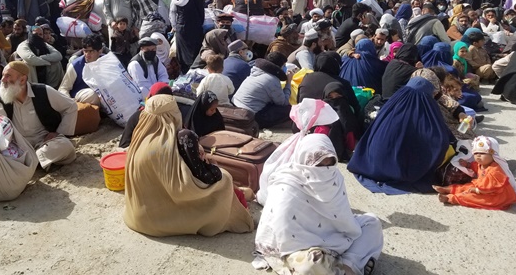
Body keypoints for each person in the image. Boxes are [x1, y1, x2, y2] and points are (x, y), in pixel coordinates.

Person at [123, 93, 254, 237]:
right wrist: (215, 167)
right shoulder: (182, 138)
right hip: (161, 219)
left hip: (138, 216)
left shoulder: (138, 139)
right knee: (225, 179)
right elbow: (200, 179)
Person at [254, 134, 383, 275]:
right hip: (301, 247)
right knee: (309, 266)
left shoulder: (335, 178)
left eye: (329, 164)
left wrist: (331, 245)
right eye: (319, 165)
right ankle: (348, 265)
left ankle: (347, 267)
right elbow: (285, 239)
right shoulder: (287, 187)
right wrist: (320, 249)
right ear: (303, 161)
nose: (324, 170)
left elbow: (343, 220)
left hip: (335, 235)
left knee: (372, 223)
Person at [347, 76, 455, 194]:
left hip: (371, 162)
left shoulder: (391, 105)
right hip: (396, 169)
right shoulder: (423, 108)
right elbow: (438, 140)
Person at [0, 61, 77, 170]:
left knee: (65, 146)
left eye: (8, 76)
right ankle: (37, 162)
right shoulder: (1, 99)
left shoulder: (43, 91)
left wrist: (59, 132)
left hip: (44, 142)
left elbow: (71, 106)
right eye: (3, 75)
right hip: (18, 146)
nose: (2, 80)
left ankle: (28, 163)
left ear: (22, 79)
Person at [433, 136, 516, 209]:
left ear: (493, 155)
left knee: (471, 196)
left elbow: (491, 188)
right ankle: (447, 189)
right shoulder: (480, 164)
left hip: (494, 195)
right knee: (465, 187)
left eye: (482, 153)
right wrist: (467, 164)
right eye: (476, 153)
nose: (478, 156)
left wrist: (477, 190)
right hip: (481, 186)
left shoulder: (494, 170)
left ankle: (450, 198)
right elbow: (474, 166)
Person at [232, 52, 293, 128]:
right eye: (284, 65)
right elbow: (283, 102)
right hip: (250, 115)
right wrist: (288, 83)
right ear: (279, 66)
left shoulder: (255, 72)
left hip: (236, 106)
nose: (285, 67)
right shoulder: (272, 80)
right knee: (289, 109)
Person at [169, 0, 205, 73]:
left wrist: (195, 27)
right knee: (182, 60)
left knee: (193, 58)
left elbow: (201, 15)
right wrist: (175, 27)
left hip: (194, 32)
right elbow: (172, 13)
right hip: (181, 32)